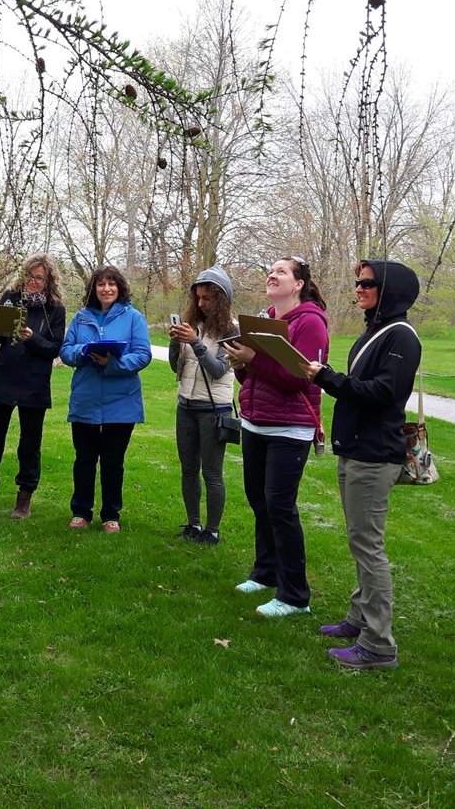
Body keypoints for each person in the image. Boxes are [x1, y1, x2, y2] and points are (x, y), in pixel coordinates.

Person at [303, 259, 421, 670]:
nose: (358, 288)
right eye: (357, 281)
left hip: (374, 457)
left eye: (367, 283)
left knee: (369, 547)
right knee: (360, 541)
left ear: (390, 290)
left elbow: (383, 393)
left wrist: (327, 378)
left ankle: (378, 644)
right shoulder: (376, 330)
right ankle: (359, 618)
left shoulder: (402, 336)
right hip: (355, 450)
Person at [224, 256, 329, 619]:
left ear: (298, 283)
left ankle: (295, 595)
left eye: (281, 271)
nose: (272, 274)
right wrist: (243, 365)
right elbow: (258, 379)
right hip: (256, 423)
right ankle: (265, 572)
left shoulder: (310, 322)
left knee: (281, 508)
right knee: (260, 502)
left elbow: (301, 378)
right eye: (271, 269)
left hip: (289, 428)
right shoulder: (267, 320)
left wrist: (254, 360)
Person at [0, 254, 67, 519]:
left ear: (48, 281)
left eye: (39, 277)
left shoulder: (55, 308)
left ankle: (24, 499)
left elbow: (55, 348)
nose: (33, 282)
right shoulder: (11, 297)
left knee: (29, 444)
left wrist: (31, 338)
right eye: (29, 276)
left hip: (35, 381)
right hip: (4, 376)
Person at [59, 265, 153, 532]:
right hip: (86, 399)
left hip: (121, 402)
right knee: (84, 459)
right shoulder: (81, 318)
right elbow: (66, 351)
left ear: (120, 287)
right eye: (101, 284)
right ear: (94, 289)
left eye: (111, 283)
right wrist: (84, 352)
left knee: (113, 462)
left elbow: (142, 355)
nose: (106, 289)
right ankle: (81, 511)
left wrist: (112, 363)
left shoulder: (133, 317)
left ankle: (111, 513)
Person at [168, 265, 239, 545]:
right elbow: (177, 367)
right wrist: (176, 344)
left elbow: (218, 369)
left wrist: (195, 343)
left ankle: (212, 530)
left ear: (221, 299)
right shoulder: (192, 326)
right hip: (186, 405)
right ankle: (193, 525)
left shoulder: (232, 330)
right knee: (188, 470)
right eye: (198, 298)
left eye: (208, 298)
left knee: (211, 473)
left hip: (214, 410)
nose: (201, 303)